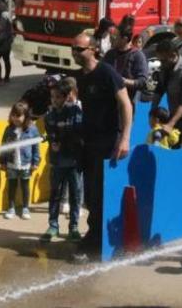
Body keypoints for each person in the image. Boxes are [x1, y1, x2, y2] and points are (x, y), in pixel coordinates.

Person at [71, 32, 132, 261]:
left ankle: (98, 240)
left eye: (79, 49)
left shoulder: (107, 72)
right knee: (90, 193)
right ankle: (95, 235)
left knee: (101, 193)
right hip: (89, 143)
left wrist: (124, 138)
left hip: (108, 142)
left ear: (93, 49)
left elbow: (125, 104)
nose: (75, 53)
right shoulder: (78, 76)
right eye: (73, 49)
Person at [40, 78, 83, 242]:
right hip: (57, 162)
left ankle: (73, 227)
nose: (54, 100)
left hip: (74, 162)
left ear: (66, 97)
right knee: (55, 194)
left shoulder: (75, 112)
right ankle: (53, 226)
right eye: (52, 97)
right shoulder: (49, 116)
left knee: (75, 195)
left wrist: (62, 142)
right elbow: (50, 132)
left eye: (58, 97)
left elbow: (77, 134)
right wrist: (53, 141)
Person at [0, 101, 41, 220]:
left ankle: (25, 208)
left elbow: (36, 147)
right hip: (11, 163)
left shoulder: (32, 130)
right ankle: (11, 207)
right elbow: (4, 146)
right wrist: (2, 161)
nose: (15, 118)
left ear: (26, 117)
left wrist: (35, 162)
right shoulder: (8, 130)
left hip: (26, 164)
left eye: (19, 116)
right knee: (11, 185)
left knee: (25, 186)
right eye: (13, 115)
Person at [102, 15, 149, 102]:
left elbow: (142, 82)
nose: (112, 39)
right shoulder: (110, 54)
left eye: (115, 37)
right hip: (109, 102)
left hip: (128, 101)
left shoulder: (137, 56)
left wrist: (123, 81)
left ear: (125, 39)